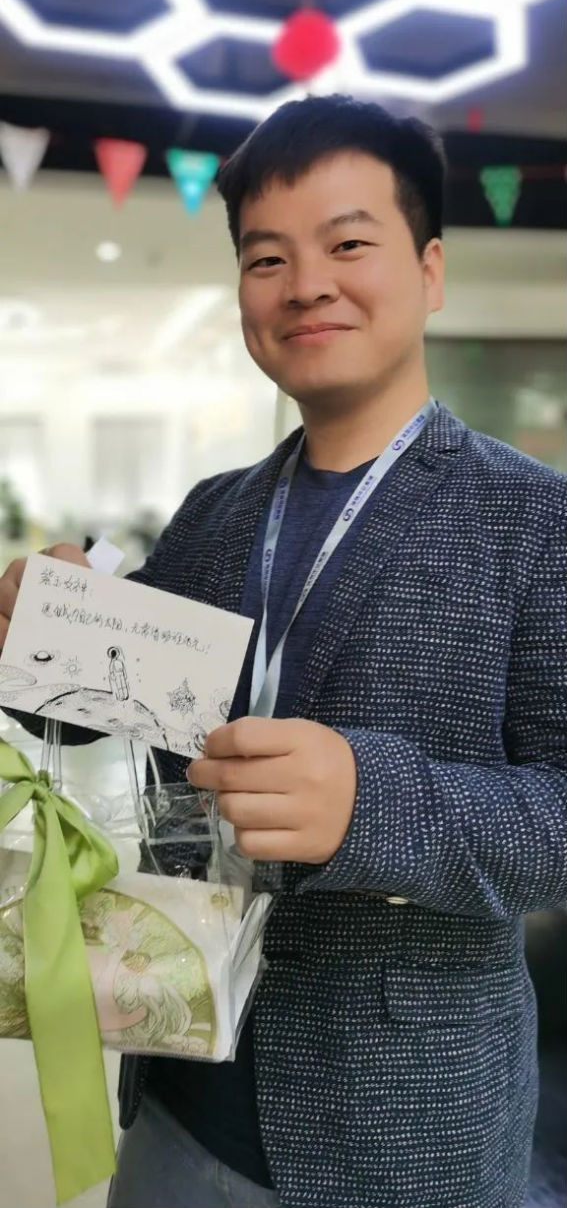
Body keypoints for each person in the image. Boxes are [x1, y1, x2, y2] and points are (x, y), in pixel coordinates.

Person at [0, 94, 565, 1208]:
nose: (306, 284)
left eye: (348, 244)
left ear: (430, 269)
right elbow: (130, 719)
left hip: (404, 1136)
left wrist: (372, 804)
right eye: (267, 257)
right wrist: (39, 641)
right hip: (175, 1079)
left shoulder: (536, 522)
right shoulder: (214, 514)